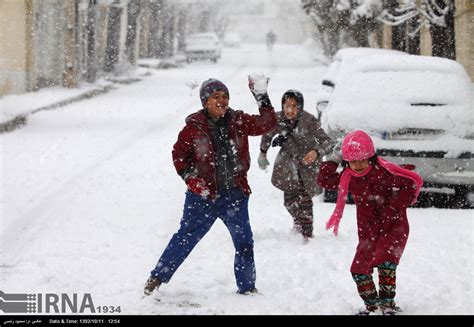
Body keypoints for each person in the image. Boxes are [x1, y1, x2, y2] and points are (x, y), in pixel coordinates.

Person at [144, 77, 277, 296]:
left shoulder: (238, 120)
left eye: (225, 97)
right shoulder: (194, 127)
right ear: (205, 101)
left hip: (234, 195)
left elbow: (267, 124)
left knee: (244, 242)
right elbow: (179, 156)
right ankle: (156, 278)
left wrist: (261, 95)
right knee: (185, 238)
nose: (222, 101)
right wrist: (191, 179)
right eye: (216, 97)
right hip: (202, 197)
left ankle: (247, 287)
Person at [317, 130, 423, 315]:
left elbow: (410, 185)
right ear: (346, 160)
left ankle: (388, 305)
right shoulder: (348, 178)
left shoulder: (384, 173)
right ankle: (373, 306)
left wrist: (393, 208)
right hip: (368, 231)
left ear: (371, 157)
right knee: (358, 269)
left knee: (385, 263)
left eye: (362, 159)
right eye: (352, 160)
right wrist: (334, 158)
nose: (357, 165)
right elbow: (323, 179)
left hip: (393, 226)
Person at [257, 90, 333, 241]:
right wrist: (263, 152)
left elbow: (327, 142)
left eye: (294, 106)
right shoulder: (278, 119)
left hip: (307, 166)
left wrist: (315, 152)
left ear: (301, 107)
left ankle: (307, 235)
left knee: (305, 201)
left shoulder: (309, 121)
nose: (290, 110)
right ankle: (298, 223)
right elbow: (267, 134)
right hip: (288, 165)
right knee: (289, 201)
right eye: (287, 105)